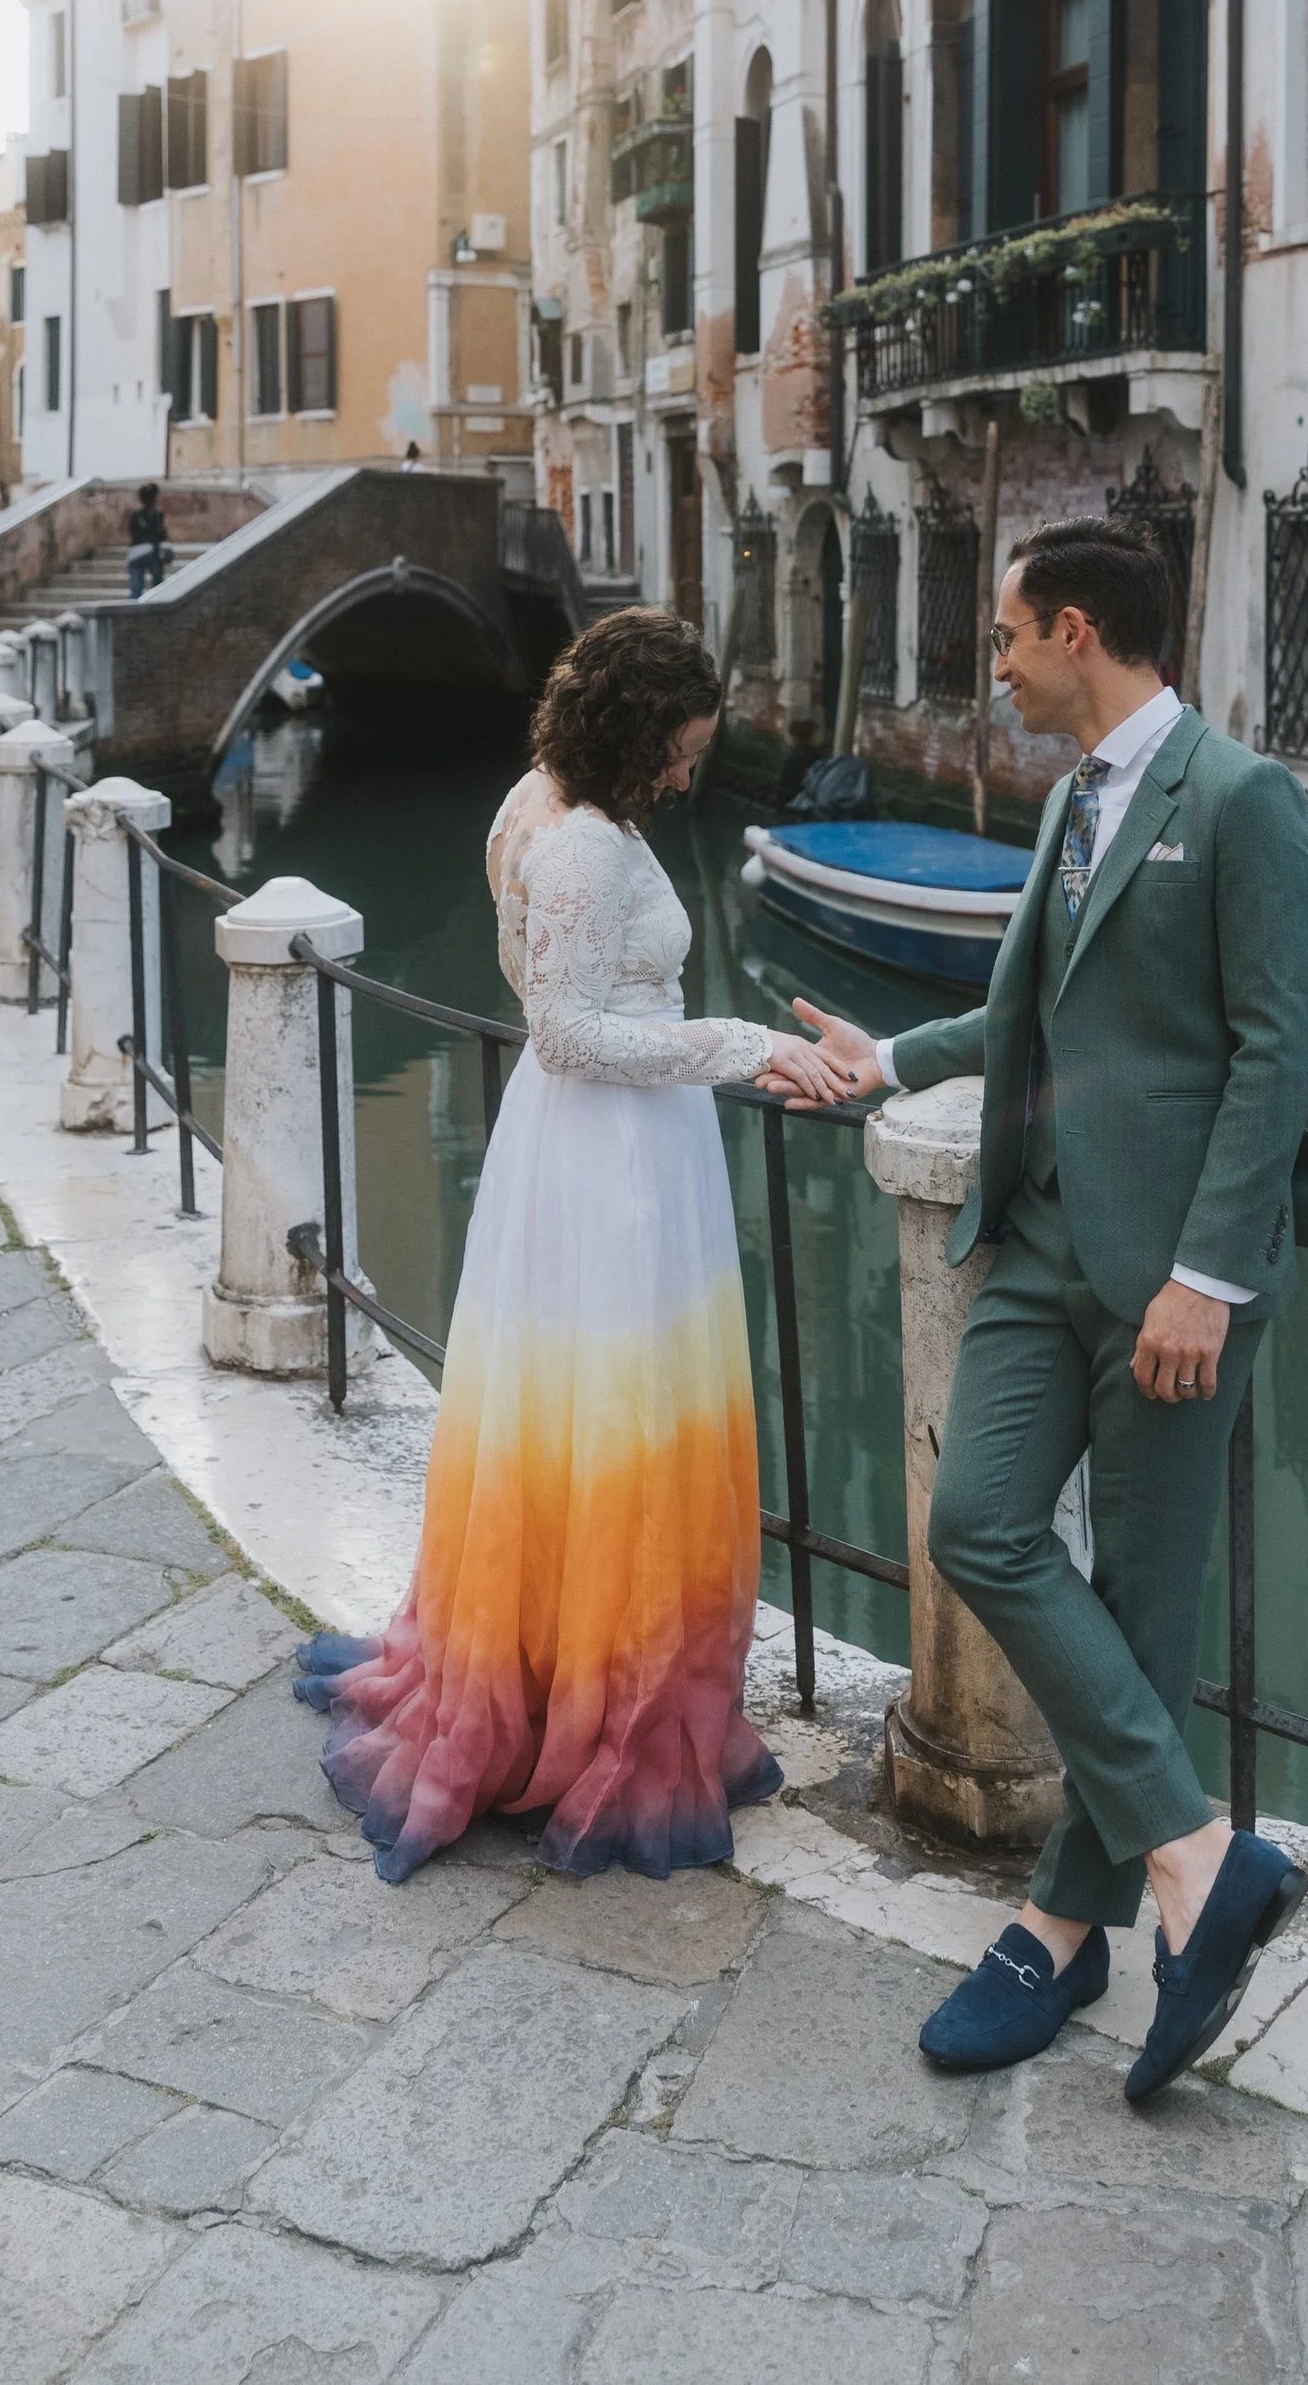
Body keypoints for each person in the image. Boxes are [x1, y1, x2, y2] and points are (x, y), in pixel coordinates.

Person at [797, 517, 1308, 2104]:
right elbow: (1031, 1003)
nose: (1001, 664)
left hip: (1174, 1283)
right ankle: (1197, 1856)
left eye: (1012, 636)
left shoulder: (1241, 802)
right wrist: (887, 1057)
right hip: (1034, 1244)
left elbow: (1272, 1052)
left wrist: (1206, 1278)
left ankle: (1057, 1926)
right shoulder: (1072, 802)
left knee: (1147, 1615)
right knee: (977, 1521)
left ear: (1079, 630)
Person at [295, 606, 847, 1882]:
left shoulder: (527, 800)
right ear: (635, 732)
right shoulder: (589, 847)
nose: (687, 774)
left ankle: (550, 1675)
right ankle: (610, 1704)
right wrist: (749, 1045)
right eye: (682, 749)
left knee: (564, 1411)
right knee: (625, 1416)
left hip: (569, 1147)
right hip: (613, 1151)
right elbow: (569, 1033)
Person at [125, 483, 170, 597]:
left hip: (136, 552)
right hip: (152, 551)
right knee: (158, 587)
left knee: (136, 589)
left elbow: (132, 532)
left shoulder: (135, 515)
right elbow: (161, 533)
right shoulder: (157, 514)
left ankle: (133, 610)